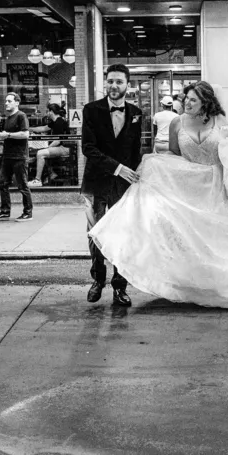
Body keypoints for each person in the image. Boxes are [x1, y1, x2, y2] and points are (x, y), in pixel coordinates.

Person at [89, 80, 228, 309]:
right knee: (190, 241)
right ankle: (192, 287)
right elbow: (173, 153)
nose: (187, 103)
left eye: (193, 99)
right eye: (186, 99)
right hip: (189, 185)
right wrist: (157, 167)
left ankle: (227, 288)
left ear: (205, 102)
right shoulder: (176, 123)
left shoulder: (223, 122)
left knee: (225, 239)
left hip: (218, 186)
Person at [80, 64, 144, 306]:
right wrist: (117, 168)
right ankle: (97, 280)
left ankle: (120, 287)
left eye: (119, 81)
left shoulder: (136, 112)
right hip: (96, 183)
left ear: (128, 85)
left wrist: (138, 177)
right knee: (96, 233)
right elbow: (88, 148)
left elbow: (134, 150)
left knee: (122, 235)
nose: (114, 86)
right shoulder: (91, 110)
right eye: (110, 81)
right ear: (104, 83)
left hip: (124, 186)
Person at [0, 92, 32, 220]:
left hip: (19, 156)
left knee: (22, 185)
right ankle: (5, 210)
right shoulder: (8, 118)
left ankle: (28, 212)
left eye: (9, 101)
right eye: (6, 101)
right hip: (8, 156)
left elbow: (25, 134)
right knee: (2, 183)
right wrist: (0, 135)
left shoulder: (21, 116)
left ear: (17, 102)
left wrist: (7, 135)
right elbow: (8, 134)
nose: (6, 103)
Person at [30, 103, 70, 186]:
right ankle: (51, 173)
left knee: (40, 153)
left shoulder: (59, 122)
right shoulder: (55, 121)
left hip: (64, 148)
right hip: (60, 147)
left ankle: (37, 180)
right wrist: (29, 128)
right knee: (42, 152)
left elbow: (57, 141)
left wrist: (47, 147)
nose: (46, 113)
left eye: (47, 111)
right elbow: (43, 128)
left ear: (51, 111)